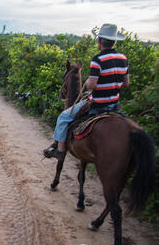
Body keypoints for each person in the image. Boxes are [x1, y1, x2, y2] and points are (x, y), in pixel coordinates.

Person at [43, 23, 129, 161]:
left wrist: (89, 81)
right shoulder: (123, 59)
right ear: (114, 41)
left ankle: (59, 150)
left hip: (97, 103)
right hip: (115, 104)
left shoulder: (97, 60)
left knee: (64, 117)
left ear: (100, 40)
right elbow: (126, 83)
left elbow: (91, 85)